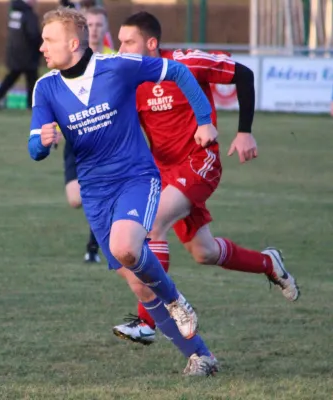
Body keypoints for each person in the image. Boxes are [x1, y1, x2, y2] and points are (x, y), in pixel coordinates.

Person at [28, 7, 219, 376]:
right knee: (141, 288)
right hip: (95, 193)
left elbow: (177, 70)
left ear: (72, 43)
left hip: (135, 177)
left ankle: (176, 299)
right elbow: (35, 147)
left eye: (48, 40)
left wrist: (205, 120)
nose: (41, 47)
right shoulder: (45, 87)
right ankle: (201, 357)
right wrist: (43, 141)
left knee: (126, 247)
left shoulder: (118, 66)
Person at [111, 12, 299, 345]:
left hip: (201, 161)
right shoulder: (129, 81)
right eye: (120, 42)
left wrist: (244, 132)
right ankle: (269, 263)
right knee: (205, 252)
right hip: (165, 174)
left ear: (151, 43)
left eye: (128, 42)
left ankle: (147, 322)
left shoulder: (186, 62)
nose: (121, 48)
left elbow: (243, 74)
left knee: (151, 225)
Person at [62, 6, 114, 263]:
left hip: (106, 142)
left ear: (105, 28)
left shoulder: (114, 61)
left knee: (100, 190)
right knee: (75, 199)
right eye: (89, 25)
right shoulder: (70, 59)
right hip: (77, 139)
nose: (93, 29)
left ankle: (93, 248)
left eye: (98, 25)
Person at [0, 0, 41, 110]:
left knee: (12, 76)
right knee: (32, 80)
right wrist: (40, 46)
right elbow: (33, 34)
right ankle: (32, 104)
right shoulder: (29, 14)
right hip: (28, 53)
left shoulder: (14, 12)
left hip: (15, 52)